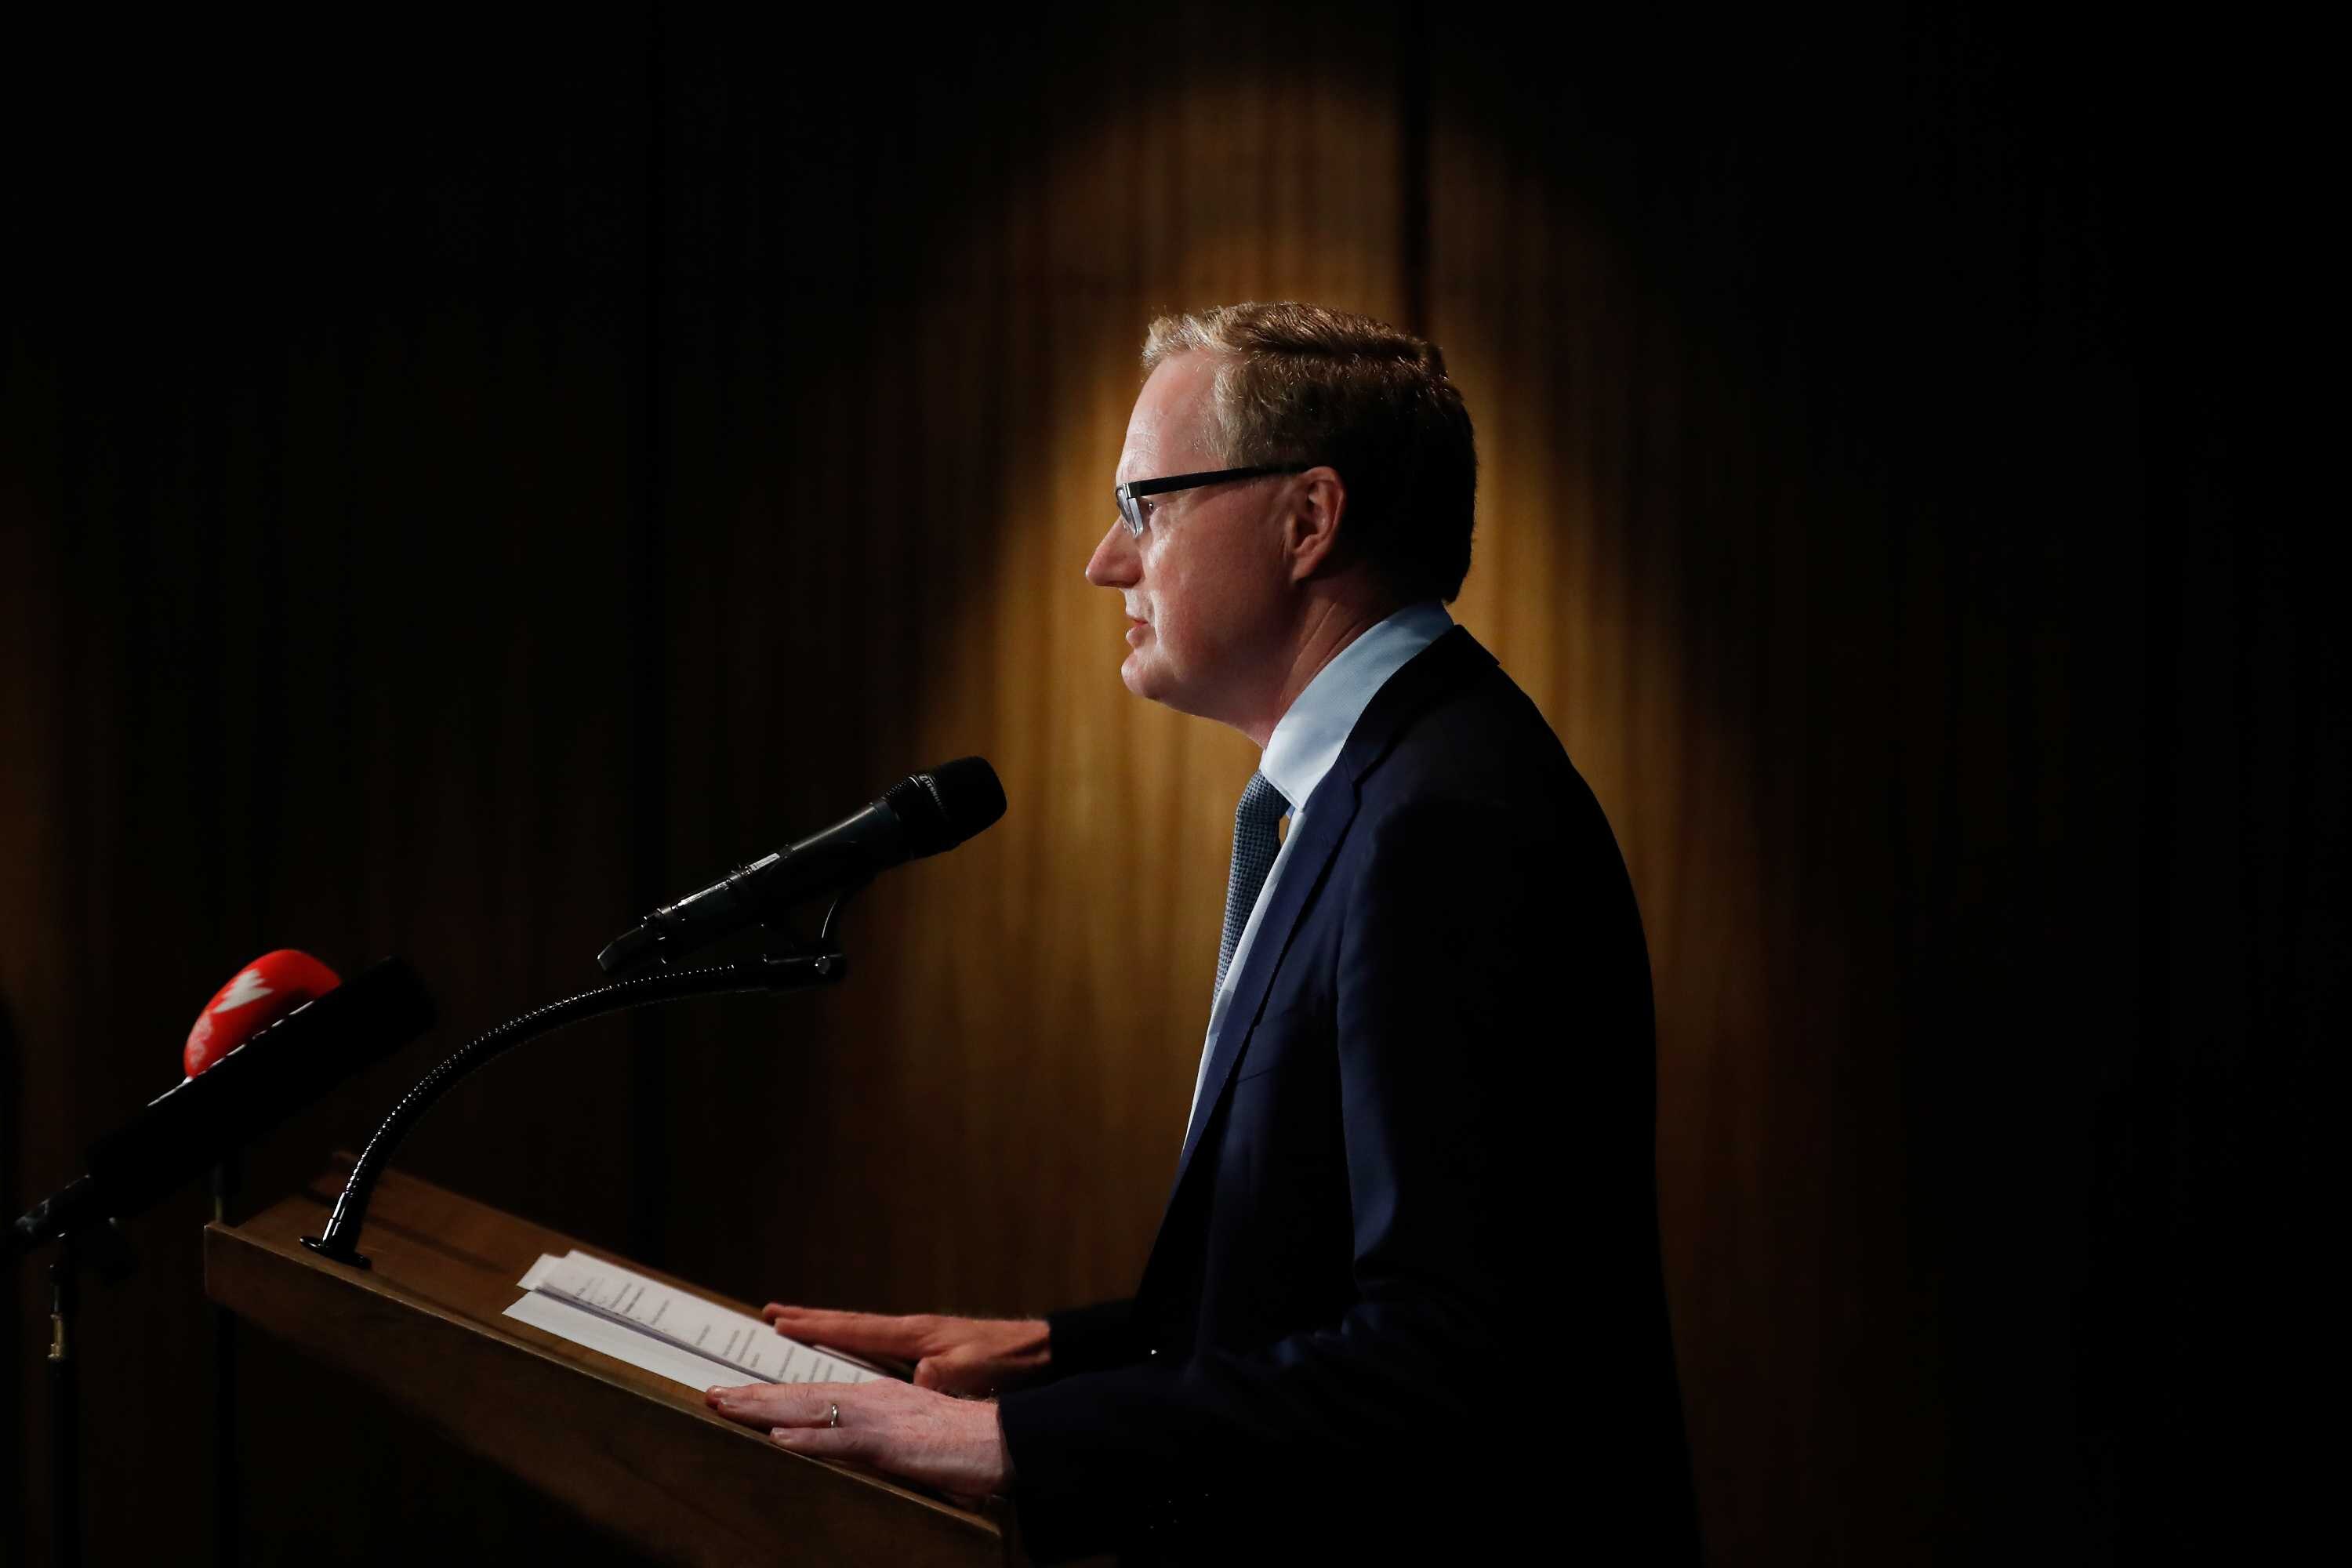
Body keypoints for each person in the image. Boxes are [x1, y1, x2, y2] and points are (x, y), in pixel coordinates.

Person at [709, 303, 1697, 1562]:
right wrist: (1056, 1354)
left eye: (1144, 505)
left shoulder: (1443, 818)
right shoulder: (1388, 781)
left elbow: (1453, 1357)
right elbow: (1329, 1283)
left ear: (1309, 520)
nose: (1105, 563)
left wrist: (1010, 1448)